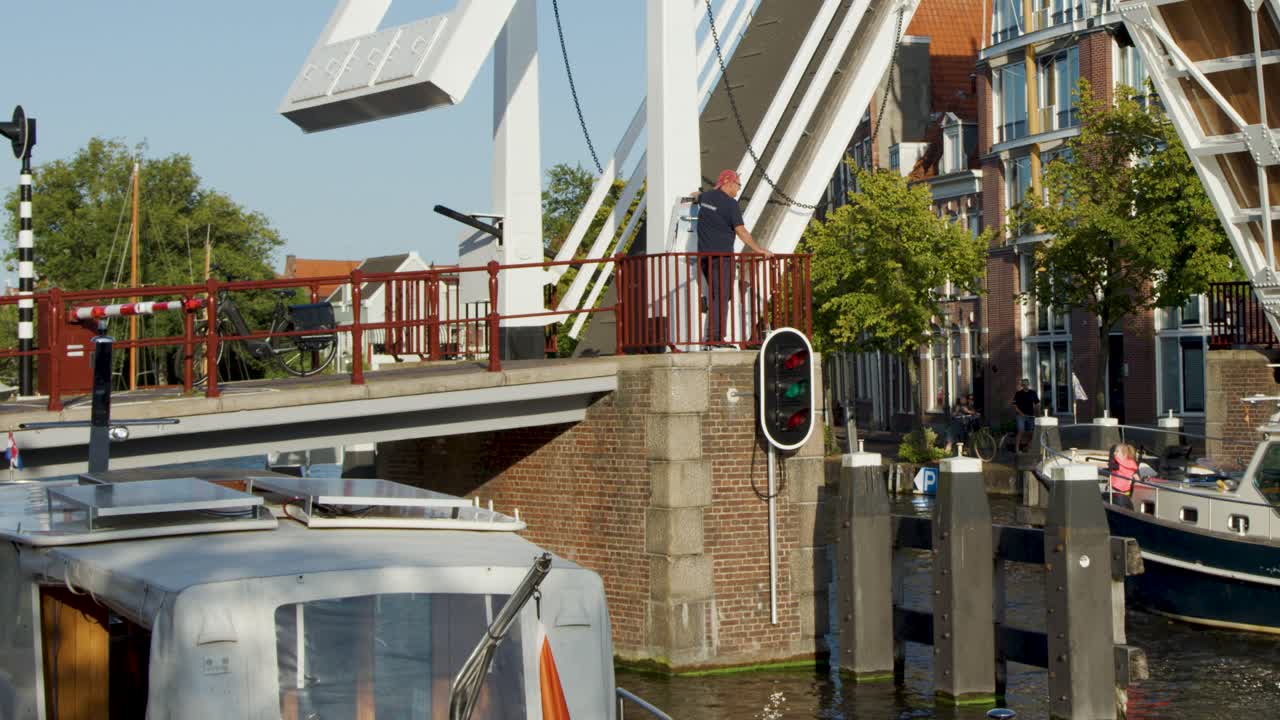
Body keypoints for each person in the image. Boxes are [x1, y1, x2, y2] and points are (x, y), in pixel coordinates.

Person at [695, 169, 771, 345]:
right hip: (722, 258)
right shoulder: (730, 204)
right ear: (728, 182)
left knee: (715, 295)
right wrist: (758, 250)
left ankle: (712, 336)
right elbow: (741, 231)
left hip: (704, 258)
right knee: (723, 295)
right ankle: (715, 338)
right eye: (738, 185)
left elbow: (697, 195)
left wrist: (694, 195)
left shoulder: (706, 198)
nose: (738, 189)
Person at [1012, 378, 1040, 452]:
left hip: (1030, 416)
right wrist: (1021, 413)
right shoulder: (1018, 394)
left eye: (1027, 384)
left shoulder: (1033, 393)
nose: (1025, 386)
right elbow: (1015, 406)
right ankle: (1017, 449)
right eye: (1024, 384)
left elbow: (1037, 404)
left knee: (1031, 432)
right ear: (1022, 385)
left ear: (1029, 384)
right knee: (1021, 431)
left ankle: (1026, 447)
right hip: (1020, 416)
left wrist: (1038, 414)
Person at [1109, 443, 1139, 508]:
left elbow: (1108, 467)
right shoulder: (1131, 464)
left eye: (1117, 451)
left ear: (1124, 454)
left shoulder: (1117, 465)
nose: (1114, 453)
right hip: (1126, 493)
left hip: (1116, 493)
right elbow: (1137, 478)